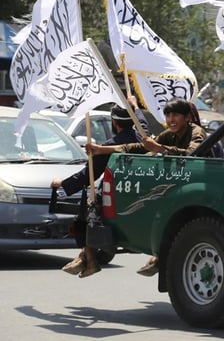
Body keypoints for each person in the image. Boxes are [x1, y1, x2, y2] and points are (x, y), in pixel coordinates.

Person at [88, 97, 210, 275]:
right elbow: (140, 147)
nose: (170, 120)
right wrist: (101, 149)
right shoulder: (169, 134)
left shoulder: (196, 132)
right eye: (167, 115)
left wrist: (160, 148)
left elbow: (192, 153)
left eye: (175, 115)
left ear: (186, 117)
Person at [50, 97, 149, 278]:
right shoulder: (144, 137)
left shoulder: (109, 146)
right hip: (143, 193)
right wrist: (135, 106)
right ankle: (84, 257)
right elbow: (142, 121)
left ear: (114, 122)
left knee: (84, 217)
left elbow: (88, 176)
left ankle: (90, 258)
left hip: (117, 196)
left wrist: (62, 185)